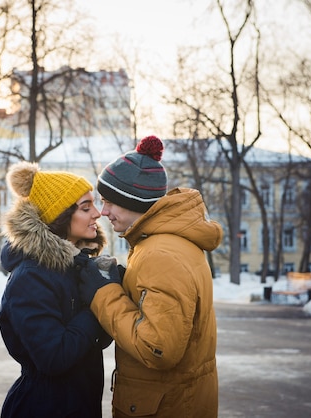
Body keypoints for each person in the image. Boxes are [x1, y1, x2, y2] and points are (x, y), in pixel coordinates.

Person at [77, 135, 223, 417]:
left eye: (109, 202)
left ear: (133, 202)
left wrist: (104, 292)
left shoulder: (160, 255)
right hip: (177, 401)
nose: (103, 212)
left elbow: (158, 347)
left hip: (164, 407)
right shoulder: (167, 243)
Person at [0, 161, 118, 418]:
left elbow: (95, 341)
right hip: (42, 408)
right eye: (86, 208)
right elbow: (54, 357)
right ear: (60, 217)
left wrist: (110, 292)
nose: (97, 214)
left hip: (78, 405)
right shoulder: (30, 278)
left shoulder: (74, 268)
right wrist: (95, 301)